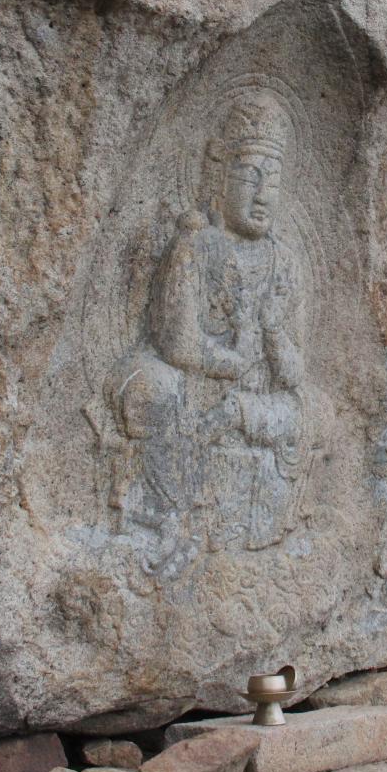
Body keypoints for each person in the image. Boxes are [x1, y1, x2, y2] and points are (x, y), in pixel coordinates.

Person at [108, 87, 305, 567]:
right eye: (250, 177)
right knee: (156, 390)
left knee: (315, 411)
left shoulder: (284, 262)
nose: (262, 195)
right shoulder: (195, 246)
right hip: (196, 382)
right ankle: (165, 518)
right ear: (219, 176)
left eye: (272, 181)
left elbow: (294, 373)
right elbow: (177, 342)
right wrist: (229, 361)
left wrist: (276, 336)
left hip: (254, 395)